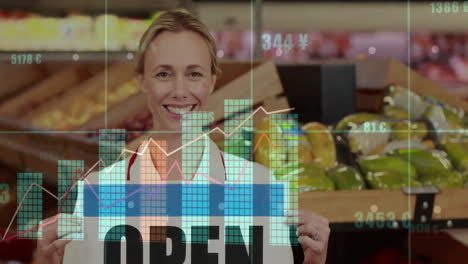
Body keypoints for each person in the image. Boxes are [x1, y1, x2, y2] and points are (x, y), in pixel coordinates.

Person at [36, 10, 330, 264]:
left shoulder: (259, 187)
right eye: (164, 74)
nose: (179, 90)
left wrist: (315, 261)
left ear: (212, 81)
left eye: (194, 74)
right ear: (141, 80)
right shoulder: (96, 194)